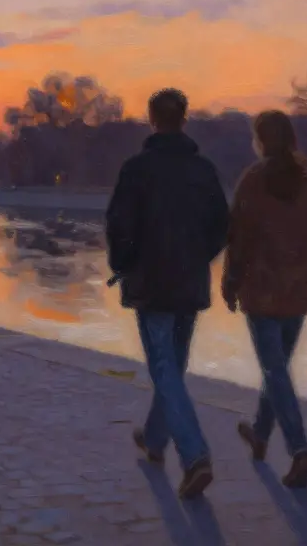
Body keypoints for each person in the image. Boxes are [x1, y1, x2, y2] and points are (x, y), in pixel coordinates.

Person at [105, 88, 230, 499]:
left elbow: (119, 226)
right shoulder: (204, 170)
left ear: (152, 119)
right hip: (189, 281)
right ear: (185, 119)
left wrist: (123, 264)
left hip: (151, 282)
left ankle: (195, 456)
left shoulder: (137, 169)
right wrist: (197, 257)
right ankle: (155, 440)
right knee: (172, 365)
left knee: (164, 368)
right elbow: (220, 228)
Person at [221, 110, 307, 489]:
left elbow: (238, 239)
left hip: (261, 292)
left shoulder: (252, 182)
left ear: (262, 140)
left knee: (275, 371)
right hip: (296, 292)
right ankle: (261, 434)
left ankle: (299, 451)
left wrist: (230, 282)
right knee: (276, 369)